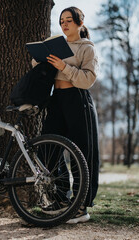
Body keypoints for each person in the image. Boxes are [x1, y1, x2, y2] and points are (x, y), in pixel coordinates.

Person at [32, 6, 99, 224]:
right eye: (62, 20)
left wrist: (64, 67)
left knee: (81, 152)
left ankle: (81, 208)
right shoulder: (57, 44)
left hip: (77, 101)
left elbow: (88, 79)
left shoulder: (87, 48)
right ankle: (61, 199)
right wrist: (40, 58)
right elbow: (40, 68)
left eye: (69, 20)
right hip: (56, 100)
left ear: (80, 22)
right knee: (48, 148)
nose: (64, 24)